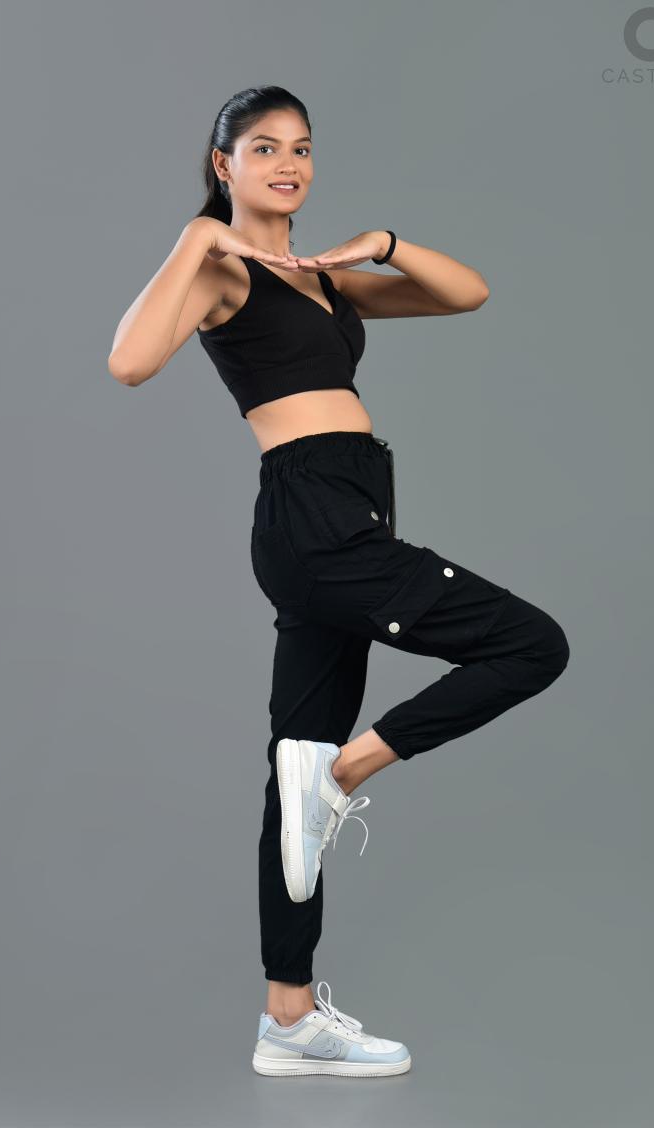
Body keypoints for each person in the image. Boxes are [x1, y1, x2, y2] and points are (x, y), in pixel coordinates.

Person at [108, 85, 570, 1079]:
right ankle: (345, 774)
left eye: (302, 149)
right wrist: (196, 238)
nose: (287, 165)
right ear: (223, 163)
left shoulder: (320, 280)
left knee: (292, 764)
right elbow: (129, 362)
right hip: (313, 518)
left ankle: (288, 1019)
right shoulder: (219, 271)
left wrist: (382, 243)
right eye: (264, 148)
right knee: (531, 644)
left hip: (347, 512)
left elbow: (466, 292)